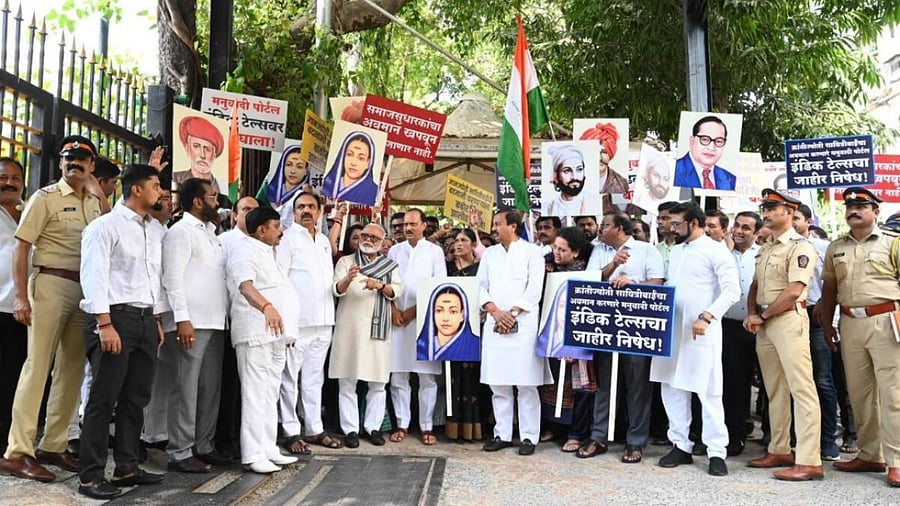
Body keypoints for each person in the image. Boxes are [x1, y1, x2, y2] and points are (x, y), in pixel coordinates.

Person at [0, 136, 102, 483]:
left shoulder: (94, 203)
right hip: (49, 284)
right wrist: (20, 297)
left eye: (83, 158)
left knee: (72, 368)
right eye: (69, 157)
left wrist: (96, 189)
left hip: (82, 290)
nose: (75, 162)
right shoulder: (45, 198)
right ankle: (18, 452)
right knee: (37, 366)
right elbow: (21, 247)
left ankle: (52, 444)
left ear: (92, 166)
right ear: (60, 162)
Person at [77, 164, 167, 499]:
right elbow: (95, 276)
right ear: (137, 190)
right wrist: (104, 324)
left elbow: (149, 278)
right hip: (114, 318)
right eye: (155, 185)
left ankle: (127, 465)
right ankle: (90, 475)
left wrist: (155, 319)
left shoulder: (150, 229)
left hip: (144, 320)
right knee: (104, 399)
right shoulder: (105, 227)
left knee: (136, 398)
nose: (160, 192)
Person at [817, 187, 900, 487]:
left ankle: (897, 461)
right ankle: (870, 454)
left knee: (893, 394)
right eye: (850, 205)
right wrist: (828, 325)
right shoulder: (836, 247)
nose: (854, 210)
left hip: (886, 319)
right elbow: (829, 289)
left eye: (862, 205)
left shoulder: (893, 242)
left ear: (876, 211)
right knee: (860, 394)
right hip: (851, 323)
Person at [650, 201, 740, 477]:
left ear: (694, 223)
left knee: (708, 390)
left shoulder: (716, 250)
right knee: (671, 387)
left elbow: (731, 291)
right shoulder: (676, 251)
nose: (672, 228)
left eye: (677, 224)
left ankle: (716, 451)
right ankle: (681, 445)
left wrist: (707, 316)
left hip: (701, 330)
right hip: (672, 329)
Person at [743, 188, 821, 481]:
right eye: (765, 206)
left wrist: (761, 315)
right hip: (766, 322)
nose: (766, 211)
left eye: (772, 207)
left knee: (802, 389)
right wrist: (753, 313)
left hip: (788, 319)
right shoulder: (766, 247)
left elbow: (794, 291)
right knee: (774, 389)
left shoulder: (800, 246)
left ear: (789, 212)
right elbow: (755, 287)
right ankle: (780, 448)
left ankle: (809, 459)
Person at [580, 211, 665, 463]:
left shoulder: (646, 250)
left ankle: (635, 441)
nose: (600, 229)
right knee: (604, 383)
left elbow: (658, 281)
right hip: (605, 327)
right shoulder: (599, 250)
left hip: (636, 328)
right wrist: (614, 264)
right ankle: (599, 436)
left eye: (605, 225)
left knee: (638, 385)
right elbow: (592, 278)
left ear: (619, 228)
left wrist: (634, 284)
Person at [161, 178, 229, 473]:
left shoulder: (212, 233)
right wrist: (181, 318)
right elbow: (172, 278)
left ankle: (204, 444)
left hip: (215, 321)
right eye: (213, 196)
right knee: (185, 387)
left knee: (209, 388)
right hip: (190, 322)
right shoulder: (180, 232)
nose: (218, 201)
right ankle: (180, 449)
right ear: (198, 201)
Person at [227, 207, 300, 474]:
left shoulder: (269, 252)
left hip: (276, 336)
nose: (281, 231)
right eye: (276, 226)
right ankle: (252, 452)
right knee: (255, 394)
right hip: (255, 332)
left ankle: (268, 447)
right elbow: (246, 286)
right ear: (261, 230)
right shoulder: (244, 249)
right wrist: (267, 307)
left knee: (270, 392)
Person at [276, 191, 343, 454]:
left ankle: (314, 428)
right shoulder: (287, 240)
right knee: (290, 379)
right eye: (300, 206)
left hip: (324, 320)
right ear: (294, 212)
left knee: (315, 378)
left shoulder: (324, 242)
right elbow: (281, 279)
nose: (305, 211)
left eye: (310, 207)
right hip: (298, 321)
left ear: (319, 211)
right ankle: (291, 431)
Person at [479, 210, 550, 456]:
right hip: (495, 322)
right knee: (498, 383)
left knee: (526, 384)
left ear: (513, 226)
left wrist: (513, 313)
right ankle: (502, 434)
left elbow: (534, 289)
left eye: (498, 224)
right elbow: (480, 286)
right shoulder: (490, 254)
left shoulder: (533, 252)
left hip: (524, 324)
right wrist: (496, 312)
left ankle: (529, 436)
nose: (494, 228)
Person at [328, 224, 401, 448]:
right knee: (347, 381)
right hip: (350, 328)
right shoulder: (347, 262)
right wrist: (348, 279)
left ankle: (373, 427)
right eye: (364, 236)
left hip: (377, 330)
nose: (367, 239)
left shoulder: (390, 265)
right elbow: (336, 290)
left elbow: (397, 290)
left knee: (377, 382)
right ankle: (350, 429)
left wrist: (379, 285)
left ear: (382, 240)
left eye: (373, 236)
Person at [388, 209, 447, 446]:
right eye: (405, 224)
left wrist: (412, 312)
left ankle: (426, 426)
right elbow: (386, 282)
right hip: (397, 320)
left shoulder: (434, 252)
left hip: (424, 321)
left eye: (413, 223)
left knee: (427, 377)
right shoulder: (394, 250)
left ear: (424, 226)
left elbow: (439, 288)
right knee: (398, 375)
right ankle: (402, 424)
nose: (407, 228)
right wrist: (394, 310)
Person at [537, 227, 595, 453]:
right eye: (555, 248)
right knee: (550, 384)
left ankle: (576, 434)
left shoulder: (588, 274)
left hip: (579, 339)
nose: (557, 253)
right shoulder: (547, 269)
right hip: (553, 335)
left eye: (563, 249)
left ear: (577, 252)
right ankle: (552, 428)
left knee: (579, 387)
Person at [793, 203, 840, 462]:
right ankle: (797, 440)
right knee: (797, 381)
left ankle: (828, 440)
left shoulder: (824, 248)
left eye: (797, 219)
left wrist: (825, 308)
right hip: (789, 317)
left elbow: (834, 283)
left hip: (816, 318)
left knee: (823, 380)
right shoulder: (782, 246)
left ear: (809, 222)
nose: (793, 223)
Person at [721, 211, 762, 457]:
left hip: (762, 325)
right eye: (736, 225)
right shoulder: (722, 255)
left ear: (756, 233)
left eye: (746, 227)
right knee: (734, 383)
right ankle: (734, 435)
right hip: (731, 327)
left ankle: (773, 436)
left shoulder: (763, 255)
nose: (739, 231)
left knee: (769, 385)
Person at [444, 228, 487, 441]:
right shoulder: (446, 269)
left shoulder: (481, 269)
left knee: (474, 379)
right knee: (455, 378)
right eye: (456, 240)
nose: (458, 244)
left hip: (475, 330)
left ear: (473, 245)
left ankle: (477, 428)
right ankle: (455, 428)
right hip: (451, 331)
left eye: (463, 240)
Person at [0, 158, 26, 458]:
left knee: (13, 378)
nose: (9, 182)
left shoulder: (28, 211)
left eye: (15, 177)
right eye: (3, 176)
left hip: (21, 309)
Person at [416, 283, 480, 361]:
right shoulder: (421, 347)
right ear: (431, 313)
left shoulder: (476, 345)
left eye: (453, 311)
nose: (445, 318)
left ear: (462, 315)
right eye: (439, 310)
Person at [674, 116, 736, 190]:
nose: (711, 147)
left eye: (719, 141)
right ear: (692, 141)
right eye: (705, 140)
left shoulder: (731, 180)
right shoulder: (673, 172)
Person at [321, 132, 379, 206]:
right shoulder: (328, 183)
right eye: (349, 154)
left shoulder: (372, 192)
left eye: (361, 158)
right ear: (342, 156)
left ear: (368, 163)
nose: (353, 163)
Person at [259, 145, 310, 229]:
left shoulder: (308, 195)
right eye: (289, 165)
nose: (293, 171)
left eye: (299, 167)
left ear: (306, 171)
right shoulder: (269, 189)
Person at [173, 115, 227, 194]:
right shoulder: (175, 178)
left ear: (214, 155)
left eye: (207, 149)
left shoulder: (222, 187)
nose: (202, 155)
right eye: (196, 146)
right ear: (187, 149)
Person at [578, 122, 630, 194]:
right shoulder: (575, 180)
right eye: (594, 152)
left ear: (610, 154)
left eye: (604, 152)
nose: (599, 158)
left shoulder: (622, 184)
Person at [542, 144, 594, 216]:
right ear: (557, 175)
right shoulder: (547, 208)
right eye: (567, 171)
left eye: (579, 169)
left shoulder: (594, 203)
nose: (574, 177)